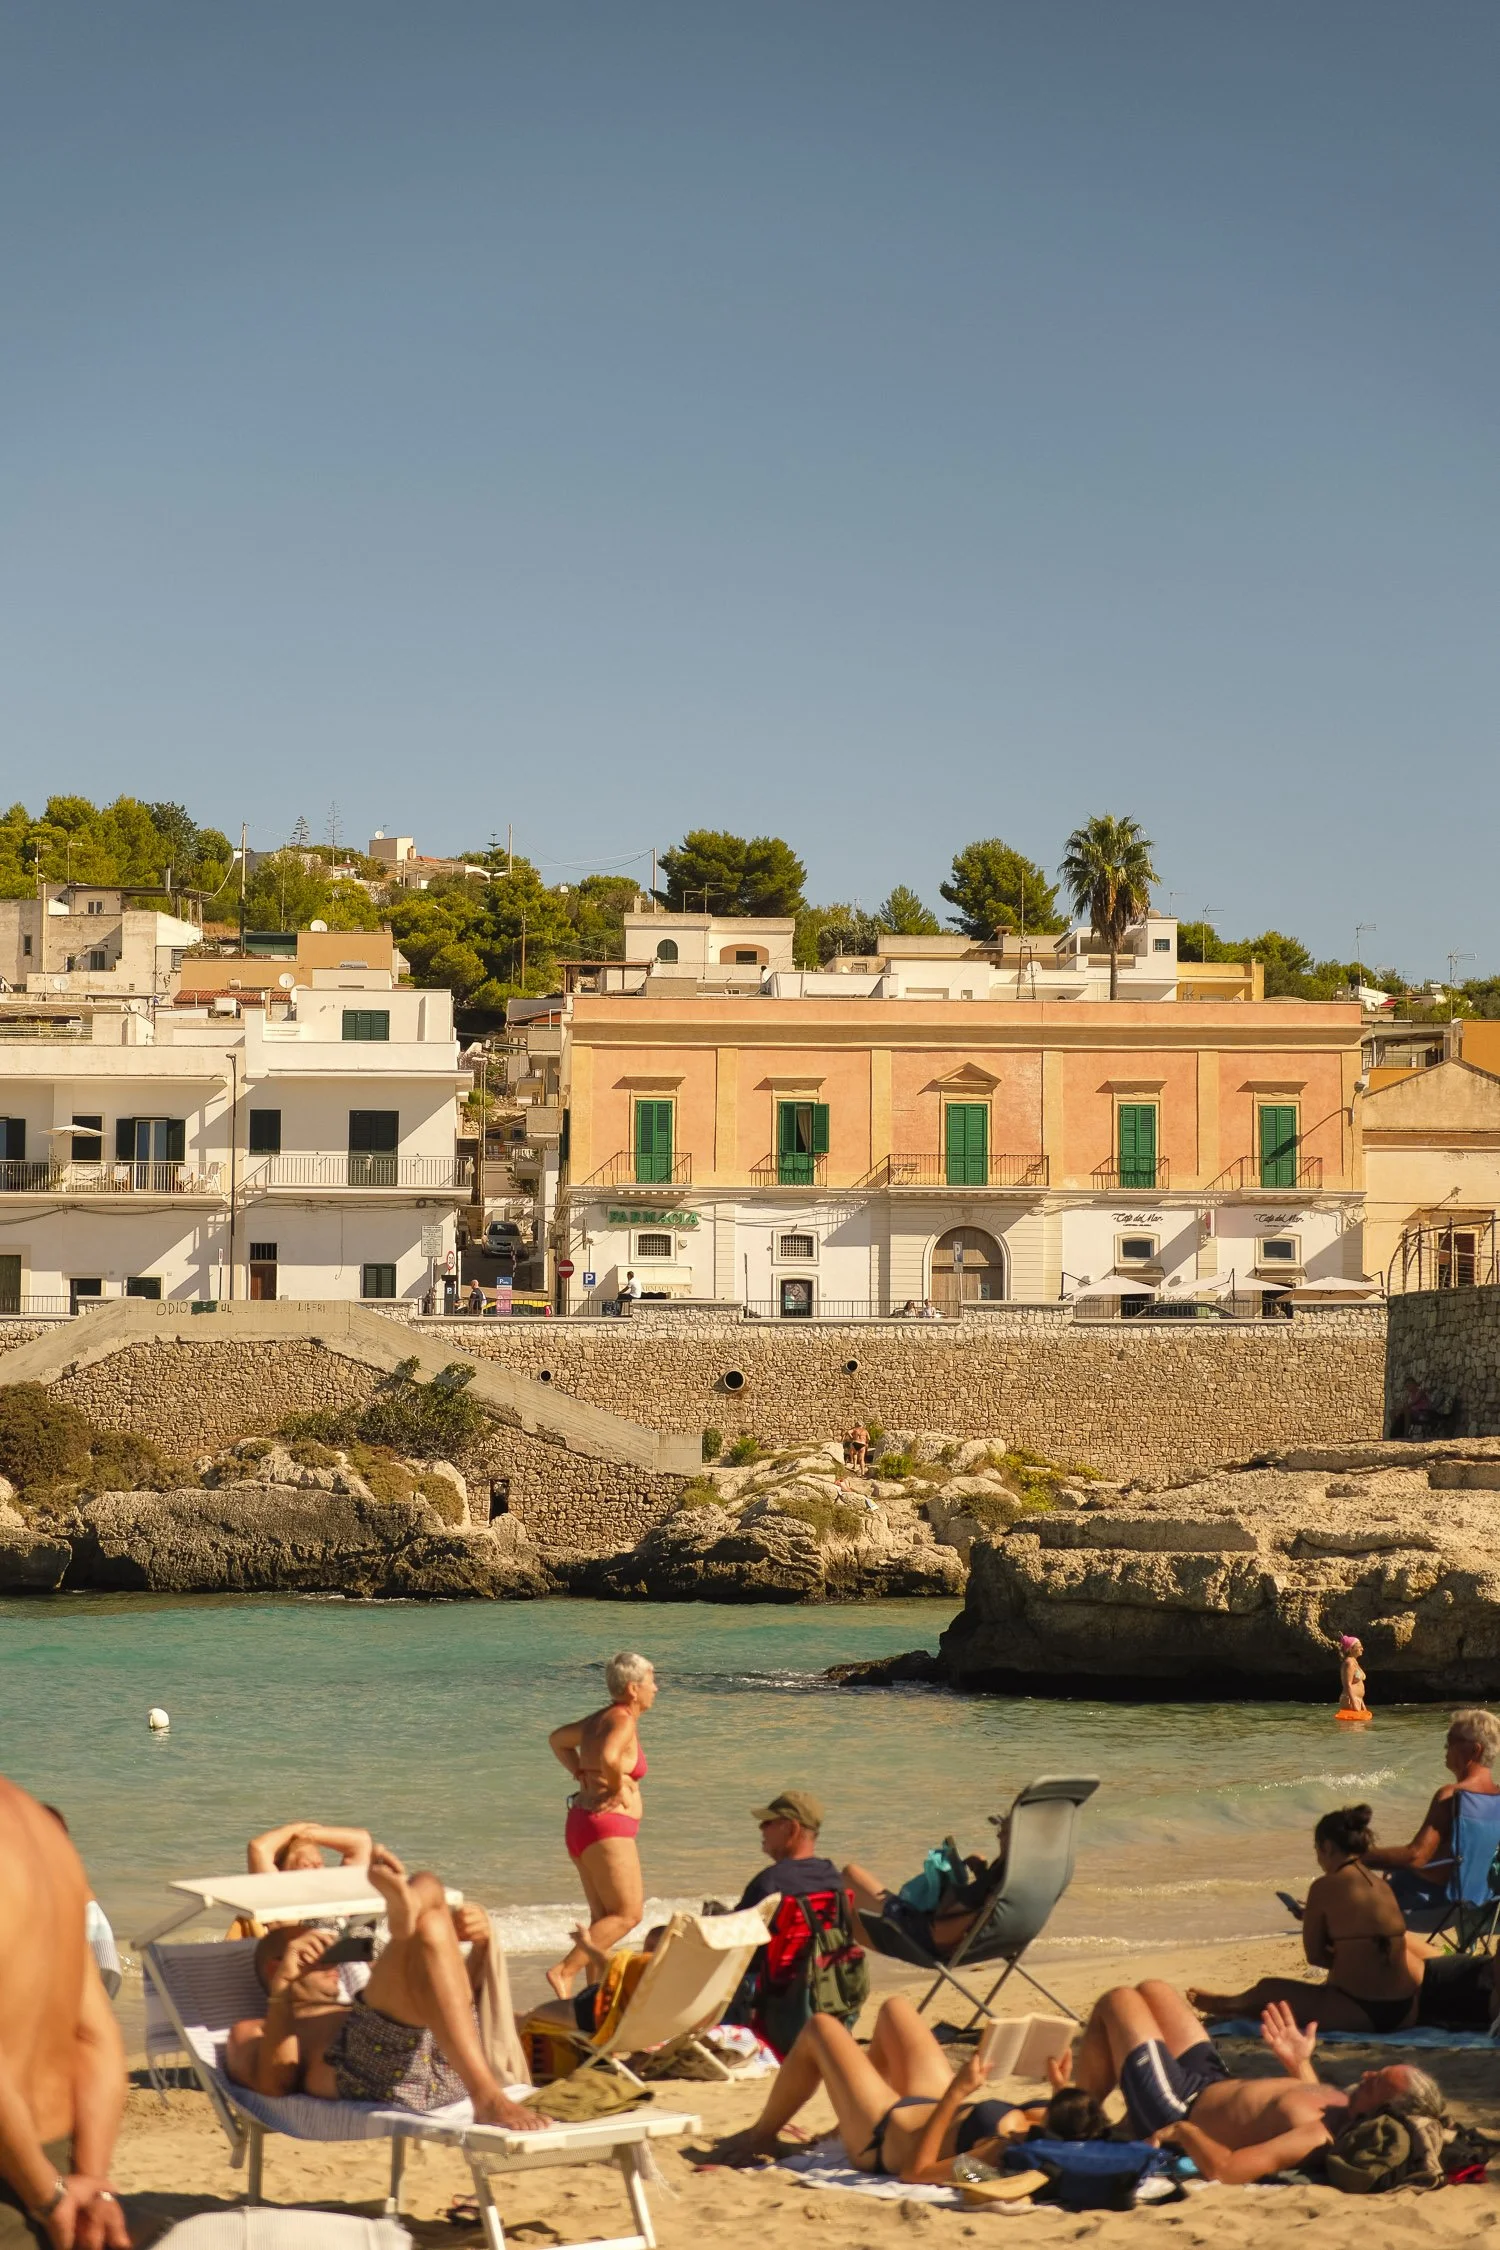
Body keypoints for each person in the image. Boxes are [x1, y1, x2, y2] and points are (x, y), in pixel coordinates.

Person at [226, 1845, 540, 2130]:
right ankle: (487, 2097)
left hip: (449, 2069)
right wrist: (283, 1990)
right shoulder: (255, 2028)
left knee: (428, 1894)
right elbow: (273, 2086)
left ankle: (409, 1913)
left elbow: (453, 2001)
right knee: (427, 1900)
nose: (334, 1961)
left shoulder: (355, 2004)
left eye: (334, 1951)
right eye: (318, 1954)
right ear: (274, 1966)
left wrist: (480, 1945)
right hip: (370, 2070)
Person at [1064, 1984, 1443, 2184]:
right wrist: (1299, 2062)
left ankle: (1072, 2119)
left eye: (1375, 2082)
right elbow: (1296, 2102)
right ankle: (1081, 2114)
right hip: (1210, 2080)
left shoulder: (1317, 2137)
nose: (1365, 2074)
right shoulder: (1345, 2109)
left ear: (1381, 2111)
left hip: (1178, 2105)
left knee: (1119, 2001)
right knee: (1154, 1990)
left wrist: (1183, 2130)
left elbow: (1227, 2169)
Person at [714, 1993, 1076, 2180]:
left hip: (883, 2137)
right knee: (896, 2009)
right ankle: (844, 2124)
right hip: (934, 2106)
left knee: (820, 2028)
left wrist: (958, 2092)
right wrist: (1061, 2091)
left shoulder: (1001, 2159)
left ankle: (761, 2136)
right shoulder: (1065, 2133)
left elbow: (916, 2173)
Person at [0, 1772, 129, 2250]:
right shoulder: (42, 1830)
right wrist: (90, 2184)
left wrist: (46, 2198)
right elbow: (96, 2035)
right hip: (62, 2164)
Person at [1186, 1806, 1422, 2033]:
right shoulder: (1381, 1885)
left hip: (1363, 2011)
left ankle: (1226, 2005)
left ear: (1327, 1847)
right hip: (1406, 2011)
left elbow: (1316, 1956)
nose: (1319, 1860)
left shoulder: (1324, 1886)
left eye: (1317, 1850)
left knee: (1268, 1989)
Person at [546, 1652, 656, 1999]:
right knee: (627, 1915)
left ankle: (592, 1996)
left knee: (603, 1919)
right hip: (607, 1827)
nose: (657, 1687)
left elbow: (558, 1740)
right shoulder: (622, 1719)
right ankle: (564, 1972)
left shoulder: (598, 1719)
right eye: (652, 1680)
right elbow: (610, 1756)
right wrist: (616, 1786)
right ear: (634, 1688)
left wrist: (578, 1770)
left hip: (581, 1822)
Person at [1362, 1707, 1500, 1920]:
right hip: (1481, 1903)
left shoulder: (1451, 1796)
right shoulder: (1497, 1798)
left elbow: (1416, 1855)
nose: (1446, 1747)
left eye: (1451, 1741)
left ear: (1475, 1750)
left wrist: (1360, 1857)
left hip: (1437, 1906)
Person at [226, 1819, 375, 1940]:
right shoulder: (284, 1908)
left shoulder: (339, 1896)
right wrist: (297, 1827)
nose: (316, 1870)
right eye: (305, 1865)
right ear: (283, 1873)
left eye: (319, 1863)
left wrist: (309, 1834)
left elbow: (361, 1842)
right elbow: (258, 1848)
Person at [733, 1793, 842, 1912]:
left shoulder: (769, 1882)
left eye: (768, 1822)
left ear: (792, 1829)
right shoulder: (830, 1875)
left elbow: (736, 1926)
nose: (761, 1827)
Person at [1338, 1636, 1368, 1717]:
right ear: (1351, 1649)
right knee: (1352, 1728)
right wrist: (1355, 1705)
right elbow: (1348, 1685)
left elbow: (1358, 1683)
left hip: (1357, 1700)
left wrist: (1362, 1704)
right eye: (1359, 1647)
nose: (1362, 1649)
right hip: (1350, 1701)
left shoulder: (1354, 1661)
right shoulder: (1349, 1663)